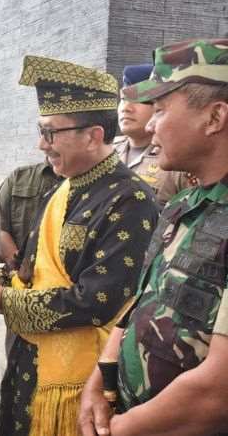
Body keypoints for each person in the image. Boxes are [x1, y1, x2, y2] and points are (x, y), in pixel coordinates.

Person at [0, 55, 160, 436]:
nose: (40, 144)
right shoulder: (63, 188)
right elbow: (28, 268)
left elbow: (98, 301)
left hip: (83, 383)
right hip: (30, 364)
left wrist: (0, 300)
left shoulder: (131, 200)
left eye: (50, 133)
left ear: (93, 134)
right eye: (40, 131)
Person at [79, 38, 228, 436]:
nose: (148, 124)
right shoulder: (182, 205)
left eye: (160, 109)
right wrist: (98, 382)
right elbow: (139, 303)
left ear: (214, 118)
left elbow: (217, 391)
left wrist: (124, 429)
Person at [114, 63, 195, 206]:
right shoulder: (106, 151)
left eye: (138, 101)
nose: (126, 108)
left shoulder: (178, 159)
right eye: (123, 99)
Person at [0, 161, 60, 269]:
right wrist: (19, 265)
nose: (43, 145)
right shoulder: (19, 177)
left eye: (52, 142)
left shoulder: (90, 184)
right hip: (17, 275)